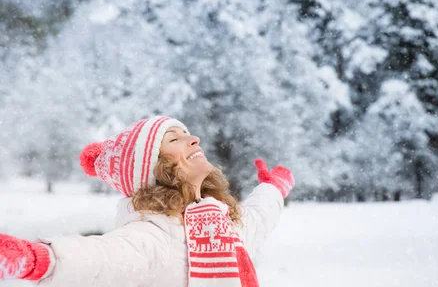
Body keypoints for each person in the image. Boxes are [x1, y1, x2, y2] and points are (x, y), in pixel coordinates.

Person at [0, 116, 294, 286]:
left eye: (187, 134)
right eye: (175, 140)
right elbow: (103, 256)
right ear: (154, 168)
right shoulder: (154, 235)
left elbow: (258, 218)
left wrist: (273, 189)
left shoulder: (223, 222)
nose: (195, 140)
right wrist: (36, 258)